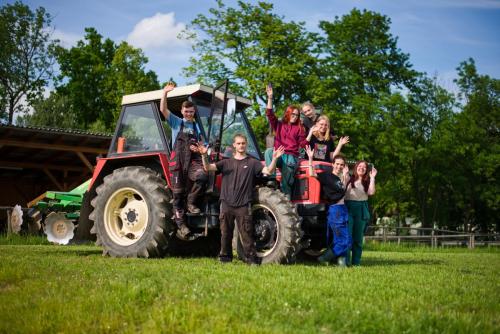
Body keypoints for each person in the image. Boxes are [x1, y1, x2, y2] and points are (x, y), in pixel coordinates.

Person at [199, 134, 285, 264]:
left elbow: (268, 171)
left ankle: (251, 260)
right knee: (225, 234)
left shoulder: (252, 163)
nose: (241, 146)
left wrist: (274, 159)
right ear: (234, 145)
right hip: (226, 203)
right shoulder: (226, 163)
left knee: (246, 234)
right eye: (238, 143)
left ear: (246, 145)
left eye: (243, 143)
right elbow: (208, 168)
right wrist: (204, 155)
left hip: (243, 204)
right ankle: (225, 258)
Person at [160, 83, 207, 237]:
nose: (188, 114)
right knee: (178, 194)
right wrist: (165, 93)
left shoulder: (197, 127)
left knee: (202, 176)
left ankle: (191, 201)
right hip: (178, 161)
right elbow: (163, 110)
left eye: (191, 112)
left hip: (192, 160)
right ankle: (181, 225)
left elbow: (203, 144)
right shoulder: (176, 122)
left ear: (194, 112)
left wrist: (200, 150)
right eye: (186, 111)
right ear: (182, 111)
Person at [306, 145, 351, 267]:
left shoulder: (339, 178)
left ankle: (342, 264)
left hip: (342, 209)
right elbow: (311, 174)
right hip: (335, 210)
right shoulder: (326, 176)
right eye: (337, 164)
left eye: (342, 165)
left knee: (339, 239)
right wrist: (310, 158)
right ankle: (323, 258)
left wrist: (345, 178)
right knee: (346, 241)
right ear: (333, 164)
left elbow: (343, 192)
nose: (339, 166)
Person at [265, 84, 308, 198]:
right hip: (279, 155)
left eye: (297, 115)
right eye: (293, 114)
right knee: (269, 152)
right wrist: (270, 98)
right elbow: (270, 114)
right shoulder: (279, 125)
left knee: (285, 186)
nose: (295, 116)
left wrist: (312, 133)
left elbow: (303, 143)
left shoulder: (299, 128)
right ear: (288, 113)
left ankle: (288, 207)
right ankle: (272, 179)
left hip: (291, 157)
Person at [345, 160, 377, 266]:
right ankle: (345, 262)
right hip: (348, 208)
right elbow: (342, 189)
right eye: (360, 166)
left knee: (358, 238)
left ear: (366, 170)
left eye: (364, 167)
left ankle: (356, 263)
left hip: (361, 209)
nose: (361, 168)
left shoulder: (367, 181)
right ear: (356, 167)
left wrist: (373, 177)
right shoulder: (349, 178)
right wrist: (345, 174)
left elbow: (371, 192)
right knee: (347, 237)